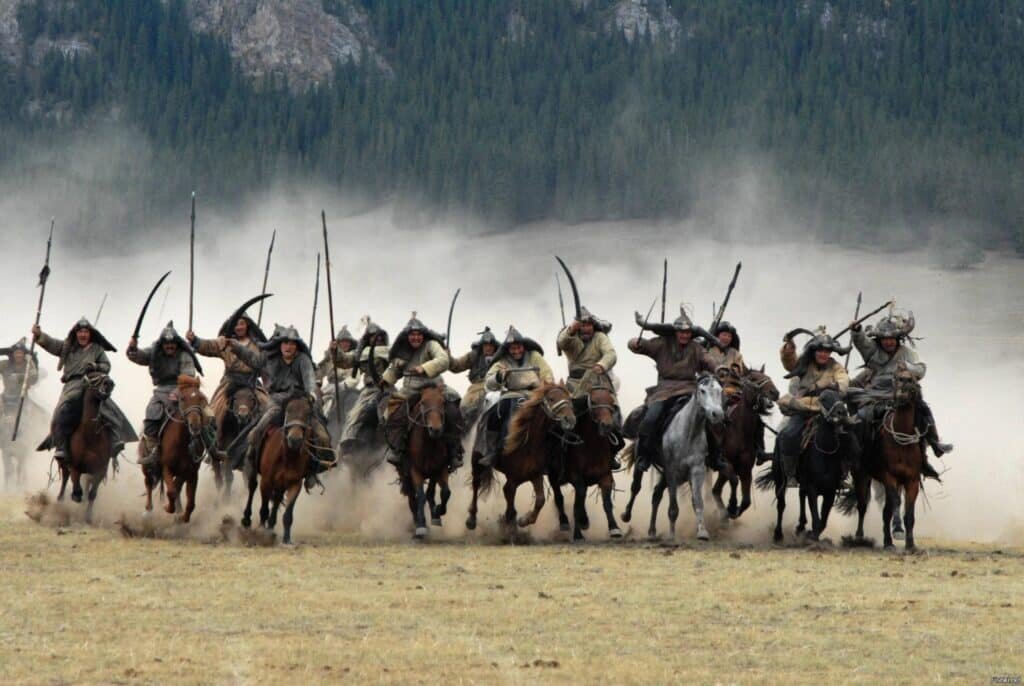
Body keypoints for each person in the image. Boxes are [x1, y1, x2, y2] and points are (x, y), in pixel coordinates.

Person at [225, 325, 333, 489]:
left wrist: (311, 393)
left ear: (297, 346)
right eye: (285, 343)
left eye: (292, 344)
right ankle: (250, 458)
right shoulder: (269, 357)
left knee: (322, 435)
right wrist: (236, 346)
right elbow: (252, 359)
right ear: (280, 345)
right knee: (260, 425)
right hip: (277, 399)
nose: (288, 347)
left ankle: (314, 468)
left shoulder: (303, 360)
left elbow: (310, 379)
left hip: (300, 401)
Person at [628, 309, 724, 472]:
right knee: (650, 419)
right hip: (663, 391)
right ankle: (644, 456)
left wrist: (718, 368)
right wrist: (635, 343)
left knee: (708, 419)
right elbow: (640, 345)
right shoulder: (661, 343)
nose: (684, 335)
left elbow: (708, 359)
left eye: (687, 332)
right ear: (675, 331)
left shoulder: (696, 348)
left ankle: (714, 457)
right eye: (681, 332)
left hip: (688, 390)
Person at [32, 318, 136, 463]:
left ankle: (114, 439)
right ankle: (61, 446)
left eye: (86, 331)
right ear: (76, 333)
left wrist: (95, 366)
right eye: (80, 331)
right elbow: (51, 344)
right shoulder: (67, 347)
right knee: (61, 411)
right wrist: (39, 335)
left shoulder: (97, 349)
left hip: (92, 382)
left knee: (109, 407)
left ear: (90, 334)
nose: (83, 334)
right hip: (72, 385)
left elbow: (106, 366)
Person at [850, 312, 952, 458]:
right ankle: (858, 455)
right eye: (884, 339)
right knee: (861, 417)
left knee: (924, 411)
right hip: (875, 397)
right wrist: (856, 330)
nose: (888, 342)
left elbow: (921, 369)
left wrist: (907, 367)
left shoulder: (908, 353)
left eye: (891, 338)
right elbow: (861, 342)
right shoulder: (872, 350)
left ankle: (934, 443)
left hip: (901, 395)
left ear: (898, 338)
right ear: (879, 339)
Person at [380, 316, 463, 471]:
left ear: (423, 335)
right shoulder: (402, 349)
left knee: (453, 410)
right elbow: (395, 369)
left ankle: (454, 452)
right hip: (410, 390)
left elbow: (443, 360)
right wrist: (386, 380)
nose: (416, 337)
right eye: (412, 334)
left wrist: (424, 368)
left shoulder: (431, 345)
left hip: (434, 388)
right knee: (391, 414)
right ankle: (397, 450)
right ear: (407, 336)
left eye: (419, 334)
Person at [776, 327, 854, 486]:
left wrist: (838, 387)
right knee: (789, 434)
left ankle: (842, 474)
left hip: (827, 410)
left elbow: (843, 379)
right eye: (820, 350)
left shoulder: (836, 366)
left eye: (827, 351)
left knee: (847, 435)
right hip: (802, 408)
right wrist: (789, 347)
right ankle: (790, 473)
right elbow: (789, 362)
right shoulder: (803, 363)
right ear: (814, 351)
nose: (823, 354)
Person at [128, 322, 213, 467]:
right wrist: (133, 349)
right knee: (151, 412)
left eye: (172, 344)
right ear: (162, 344)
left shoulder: (185, 354)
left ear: (177, 343)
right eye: (167, 344)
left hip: (184, 389)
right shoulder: (155, 350)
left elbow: (188, 374)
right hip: (161, 390)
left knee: (207, 412)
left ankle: (212, 448)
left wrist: (178, 391)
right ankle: (153, 448)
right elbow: (140, 356)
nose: (170, 347)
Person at [188, 310, 268, 451]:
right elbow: (209, 346)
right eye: (236, 324)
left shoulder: (259, 345)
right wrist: (195, 340)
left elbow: (265, 363)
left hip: (252, 383)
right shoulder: (225, 342)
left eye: (241, 323)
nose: (238, 327)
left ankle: (267, 446)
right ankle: (215, 444)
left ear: (247, 325)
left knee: (269, 407)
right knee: (213, 411)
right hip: (230, 382)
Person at [477, 326, 554, 467]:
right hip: (512, 393)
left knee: (554, 415)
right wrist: (499, 376)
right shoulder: (502, 361)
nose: (516, 351)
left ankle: (553, 452)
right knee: (494, 413)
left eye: (518, 347)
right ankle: (492, 450)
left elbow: (547, 373)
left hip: (535, 394)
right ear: (508, 349)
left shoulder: (534, 356)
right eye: (512, 348)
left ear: (523, 346)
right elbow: (489, 381)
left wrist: (546, 387)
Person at [556, 307, 621, 469]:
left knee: (613, 413)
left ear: (593, 326)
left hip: (597, 381)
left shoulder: (600, 337)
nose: (585, 328)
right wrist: (571, 328)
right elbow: (561, 342)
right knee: (564, 418)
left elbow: (611, 354)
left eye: (588, 325)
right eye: (582, 325)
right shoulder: (570, 337)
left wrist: (602, 364)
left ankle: (612, 451)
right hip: (574, 385)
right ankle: (559, 456)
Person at [336, 321, 390, 452]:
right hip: (370, 390)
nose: (377, 339)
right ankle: (346, 445)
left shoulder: (390, 351)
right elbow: (344, 360)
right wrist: (335, 350)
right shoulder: (360, 353)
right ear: (368, 338)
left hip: (389, 388)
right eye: (373, 336)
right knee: (354, 415)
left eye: (379, 336)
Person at [448, 326, 498, 427]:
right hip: (476, 387)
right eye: (485, 345)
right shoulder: (473, 355)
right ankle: (467, 429)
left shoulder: (501, 356)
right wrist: (447, 356)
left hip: (496, 386)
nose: (488, 348)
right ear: (482, 346)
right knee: (465, 405)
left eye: (491, 345)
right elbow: (456, 366)